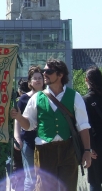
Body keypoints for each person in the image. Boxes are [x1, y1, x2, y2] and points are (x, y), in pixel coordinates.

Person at [10, 58, 91, 191]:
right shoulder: (37, 98)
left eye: (49, 71)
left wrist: (87, 151)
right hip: (44, 151)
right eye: (43, 71)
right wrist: (18, 116)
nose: (44, 74)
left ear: (60, 75)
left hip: (67, 149)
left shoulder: (74, 96)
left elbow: (83, 126)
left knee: (68, 188)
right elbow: (28, 125)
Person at [83, 66, 102, 191]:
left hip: (94, 146)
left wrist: (89, 148)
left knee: (95, 184)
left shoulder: (85, 99)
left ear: (87, 80)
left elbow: (85, 125)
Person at [14, 66, 45, 191]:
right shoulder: (24, 99)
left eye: (40, 78)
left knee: (43, 176)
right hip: (28, 140)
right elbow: (17, 118)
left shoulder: (49, 97)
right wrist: (17, 137)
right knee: (30, 177)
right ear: (30, 82)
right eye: (35, 78)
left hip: (45, 142)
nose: (38, 80)